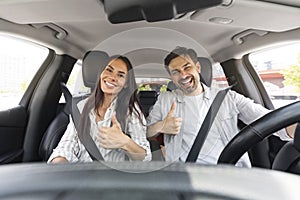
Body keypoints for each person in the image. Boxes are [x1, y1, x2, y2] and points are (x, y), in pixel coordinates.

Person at [146, 46, 295, 167]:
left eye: (187, 67)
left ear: (198, 67)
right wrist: (161, 126)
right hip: (186, 176)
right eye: (176, 72)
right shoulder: (165, 100)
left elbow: (267, 119)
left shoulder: (228, 98)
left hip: (229, 172)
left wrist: (293, 127)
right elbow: (146, 133)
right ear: (171, 77)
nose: (183, 75)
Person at [49, 55, 151, 163]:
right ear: (101, 73)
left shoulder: (130, 110)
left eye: (120, 75)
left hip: (111, 176)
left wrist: (125, 142)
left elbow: (145, 157)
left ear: (125, 84)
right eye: (109, 70)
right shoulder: (80, 106)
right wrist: (60, 160)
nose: (112, 77)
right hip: (80, 174)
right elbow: (68, 144)